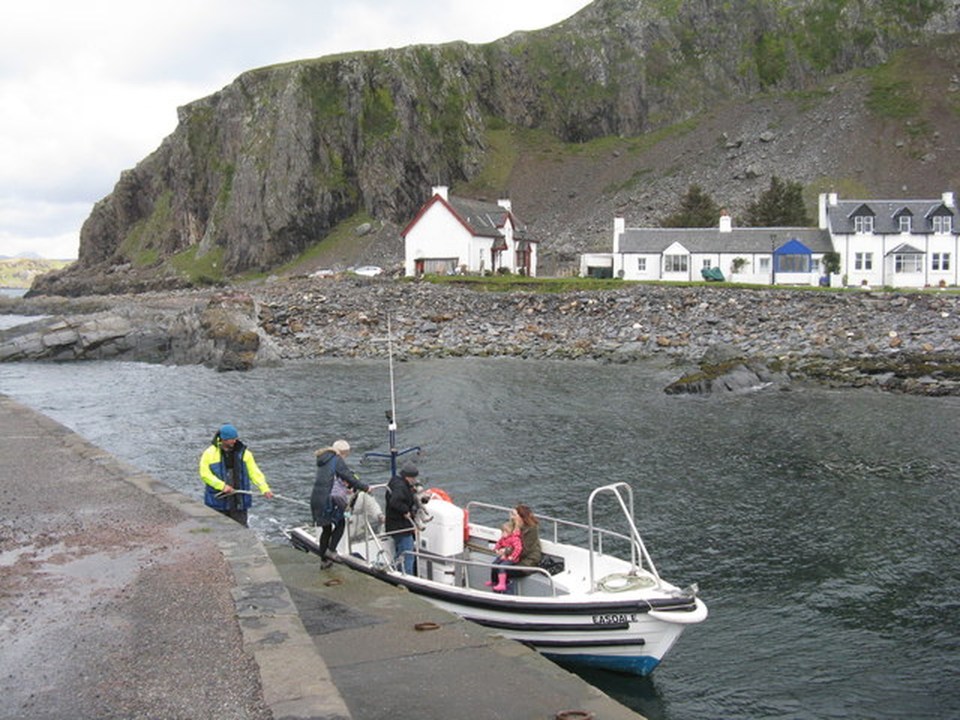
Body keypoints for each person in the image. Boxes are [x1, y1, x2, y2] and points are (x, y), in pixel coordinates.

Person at [199, 423, 273, 527]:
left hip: (239, 502)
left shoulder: (245, 454)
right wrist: (222, 486)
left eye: (236, 438)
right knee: (218, 530)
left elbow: (255, 472)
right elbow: (205, 474)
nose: (235, 441)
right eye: (232, 439)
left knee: (241, 530)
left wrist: (264, 489)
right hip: (218, 502)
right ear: (223, 439)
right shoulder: (209, 453)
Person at [311, 439, 369, 569]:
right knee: (341, 523)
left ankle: (324, 560)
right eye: (346, 454)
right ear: (343, 452)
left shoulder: (323, 460)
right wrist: (365, 487)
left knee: (326, 529)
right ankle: (331, 551)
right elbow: (348, 476)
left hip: (317, 497)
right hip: (329, 500)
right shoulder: (337, 460)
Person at [384, 462, 421, 575]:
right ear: (408, 477)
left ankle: (396, 570)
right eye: (414, 478)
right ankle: (406, 575)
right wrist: (406, 511)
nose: (415, 480)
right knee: (407, 553)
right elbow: (395, 501)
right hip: (401, 526)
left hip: (393, 524)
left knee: (401, 552)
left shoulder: (395, 481)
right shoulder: (401, 487)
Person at [503, 503, 542, 592]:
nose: (512, 517)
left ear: (521, 517)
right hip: (516, 556)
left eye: (514, 515)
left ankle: (509, 595)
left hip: (528, 560)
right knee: (496, 565)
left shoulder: (531, 529)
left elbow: (524, 550)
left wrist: (507, 552)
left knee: (506, 571)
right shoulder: (514, 525)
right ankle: (497, 589)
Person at [486, 519, 522, 592]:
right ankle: (494, 581)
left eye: (504, 532)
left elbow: (518, 548)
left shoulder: (515, 539)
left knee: (502, 567)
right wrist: (496, 549)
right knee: (494, 564)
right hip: (504, 556)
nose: (503, 533)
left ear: (510, 532)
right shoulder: (503, 538)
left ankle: (502, 584)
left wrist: (512, 557)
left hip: (512, 558)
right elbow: (498, 543)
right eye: (502, 532)